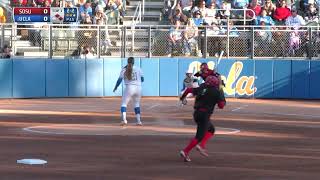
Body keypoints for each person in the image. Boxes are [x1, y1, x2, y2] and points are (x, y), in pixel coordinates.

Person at [179, 75, 226, 162]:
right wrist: (221, 93)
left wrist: (182, 98)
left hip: (197, 114)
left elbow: (189, 89)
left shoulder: (202, 86)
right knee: (199, 137)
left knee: (211, 129)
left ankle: (202, 145)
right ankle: (185, 151)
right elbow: (221, 106)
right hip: (205, 115)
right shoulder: (216, 91)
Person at [113, 57, 144, 126]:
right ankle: (139, 121)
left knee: (124, 104)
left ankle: (124, 120)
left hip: (129, 87)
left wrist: (115, 87)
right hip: (138, 88)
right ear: (134, 62)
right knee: (136, 104)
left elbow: (119, 80)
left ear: (128, 62)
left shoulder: (124, 69)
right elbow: (142, 79)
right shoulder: (138, 69)